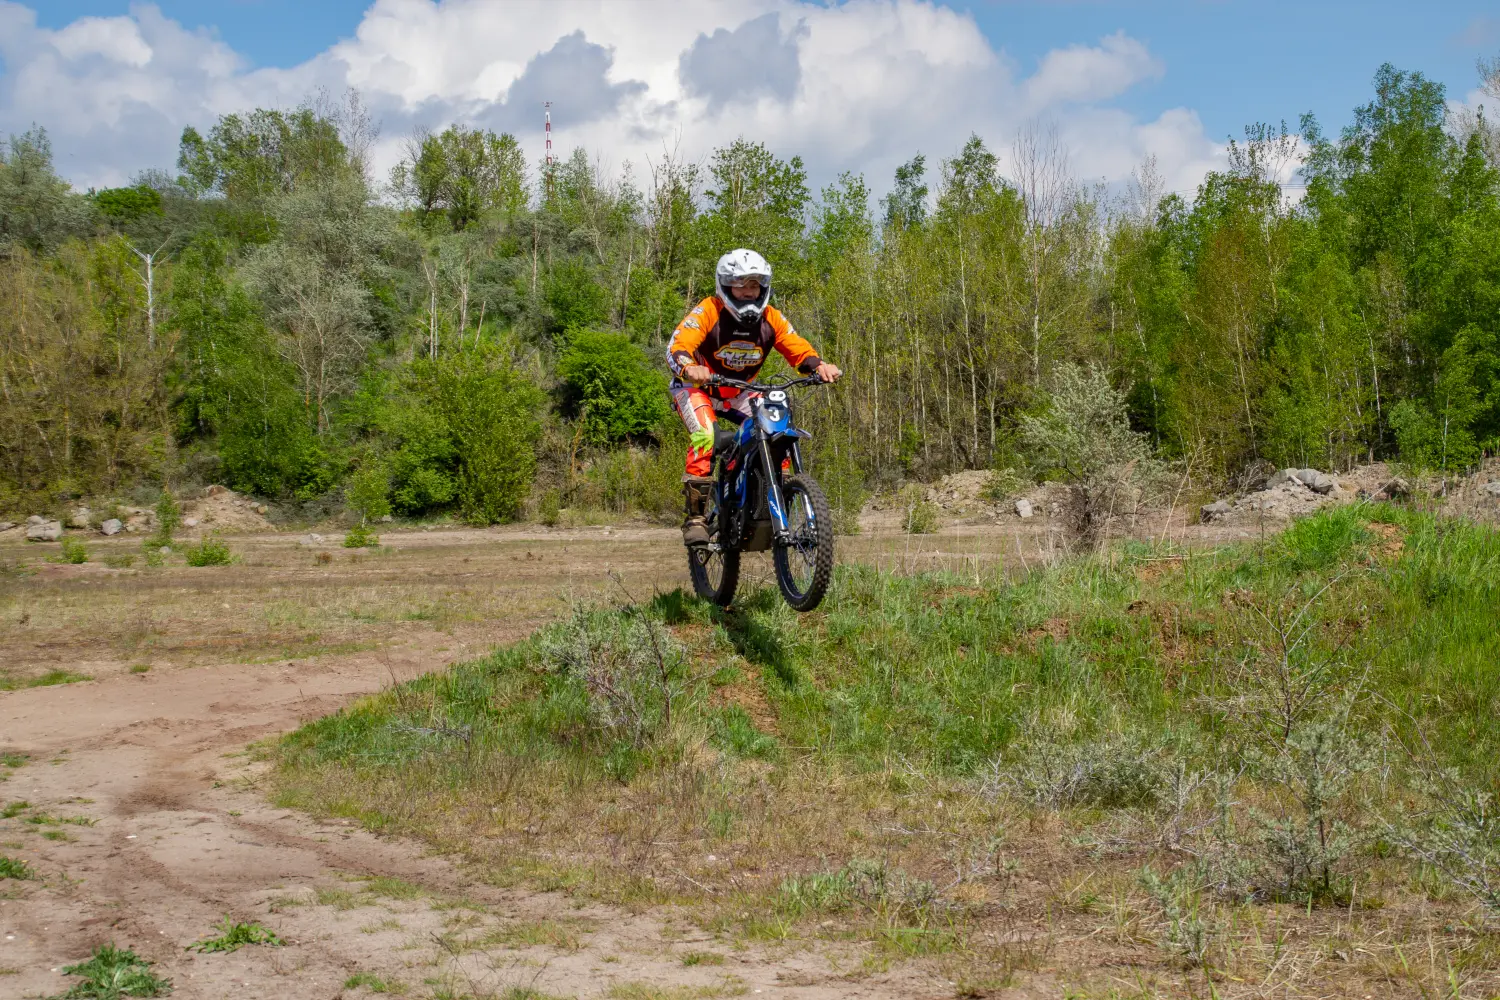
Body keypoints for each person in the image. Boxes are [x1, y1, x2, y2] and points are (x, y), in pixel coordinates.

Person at [666, 248, 841, 546]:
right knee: (706, 434)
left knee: (776, 429)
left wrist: (819, 365)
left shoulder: (770, 318)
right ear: (726, 285)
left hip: (741, 390)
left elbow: (795, 346)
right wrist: (689, 367)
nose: (748, 292)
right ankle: (695, 517)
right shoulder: (709, 309)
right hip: (697, 386)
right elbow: (678, 344)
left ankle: (774, 499)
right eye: (741, 284)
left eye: (754, 284)